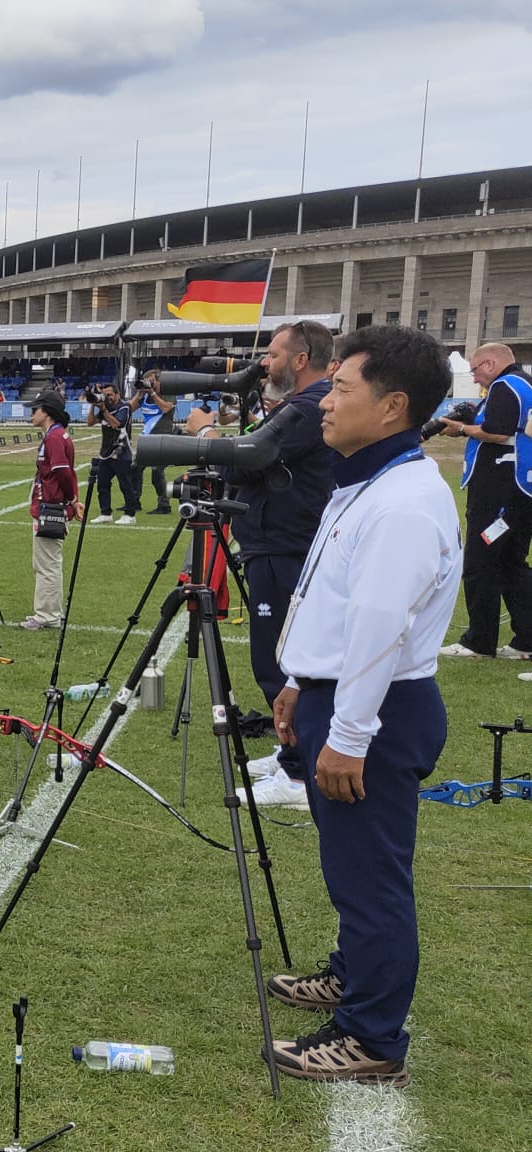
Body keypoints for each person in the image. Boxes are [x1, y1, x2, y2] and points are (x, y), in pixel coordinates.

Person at [262, 324, 458, 1087]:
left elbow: (381, 630)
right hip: (341, 697)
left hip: (373, 713)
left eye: (342, 389)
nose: (325, 403)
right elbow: (337, 608)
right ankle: (353, 975)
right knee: (354, 868)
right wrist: (297, 681)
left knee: (372, 878)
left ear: (393, 406)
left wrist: (345, 733)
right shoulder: (372, 480)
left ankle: (372, 1036)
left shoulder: (403, 500)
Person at [188, 320, 338, 811]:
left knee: (279, 662)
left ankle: (297, 776)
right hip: (278, 540)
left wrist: (206, 432)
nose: (262, 364)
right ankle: (289, 753)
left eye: (272, 355)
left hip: (284, 544)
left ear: (300, 359)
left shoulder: (306, 406)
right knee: (279, 655)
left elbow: (242, 462)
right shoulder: (305, 404)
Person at [438, 342, 532, 660]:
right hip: (520, 488)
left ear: (490, 364)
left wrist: (462, 428)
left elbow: (497, 431)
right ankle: (526, 638)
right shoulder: (525, 383)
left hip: (500, 489)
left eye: (475, 370)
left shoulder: (506, 386)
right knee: (511, 563)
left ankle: (478, 641)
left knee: (481, 561)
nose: (475, 378)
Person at [22, 391, 79, 631]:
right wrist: (73, 499)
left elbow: (63, 472)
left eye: (34, 409)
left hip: (50, 506)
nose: (31, 414)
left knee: (47, 563)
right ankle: (51, 610)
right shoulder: (57, 435)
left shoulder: (54, 438)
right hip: (52, 504)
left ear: (46, 411)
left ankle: (47, 615)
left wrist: (70, 498)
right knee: (47, 562)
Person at [85, 381, 138, 524]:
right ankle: (105, 512)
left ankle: (130, 514)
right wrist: (93, 404)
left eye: (109, 395)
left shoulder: (124, 407)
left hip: (121, 450)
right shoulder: (105, 407)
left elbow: (117, 424)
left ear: (117, 394)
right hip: (106, 452)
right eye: (105, 395)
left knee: (125, 484)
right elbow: (90, 422)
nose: (107, 398)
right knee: (102, 483)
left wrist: (103, 410)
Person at [134, 371, 176, 515]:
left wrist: (152, 393)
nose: (149, 384)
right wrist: (139, 394)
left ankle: (164, 504)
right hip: (147, 439)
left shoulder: (168, 393)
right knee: (135, 468)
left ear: (159, 381)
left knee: (157, 472)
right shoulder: (144, 396)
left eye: (151, 381)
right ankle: (134, 501)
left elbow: (166, 408)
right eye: (147, 381)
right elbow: (129, 409)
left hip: (164, 438)